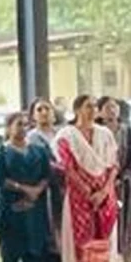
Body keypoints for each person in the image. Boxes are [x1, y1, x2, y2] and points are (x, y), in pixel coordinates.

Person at [55, 95, 118, 262]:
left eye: (95, 106)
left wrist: (103, 192)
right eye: (88, 106)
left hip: (105, 196)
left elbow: (113, 166)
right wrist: (89, 193)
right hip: (79, 197)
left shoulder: (105, 134)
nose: (93, 110)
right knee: (81, 246)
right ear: (77, 110)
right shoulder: (66, 135)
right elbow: (68, 168)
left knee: (104, 244)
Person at [0, 111, 53, 262]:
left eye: (26, 124)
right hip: (12, 211)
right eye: (19, 124)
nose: (23, 128)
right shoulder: (0, 153)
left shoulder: (39, 151)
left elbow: (47, 175)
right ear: (8, 127)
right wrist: (24, 189)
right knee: (12, 252)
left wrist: (36, 190)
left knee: (37, 253)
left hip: (36, 211)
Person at [28, 96, 64, 260]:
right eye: (39, 110)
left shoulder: (62, 134)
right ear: (33, 116)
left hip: (66, 187)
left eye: (47, 109)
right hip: (44, 189)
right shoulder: (31, 138)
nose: (44, 112)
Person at [97, 97, 131, 262]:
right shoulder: (95, 131)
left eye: (114, 107)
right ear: (100, 112)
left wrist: (121, 177)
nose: (112, 110)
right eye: (107, 107)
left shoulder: (127, 131)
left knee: (124, 223)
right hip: (100, 185)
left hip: (124, 184)